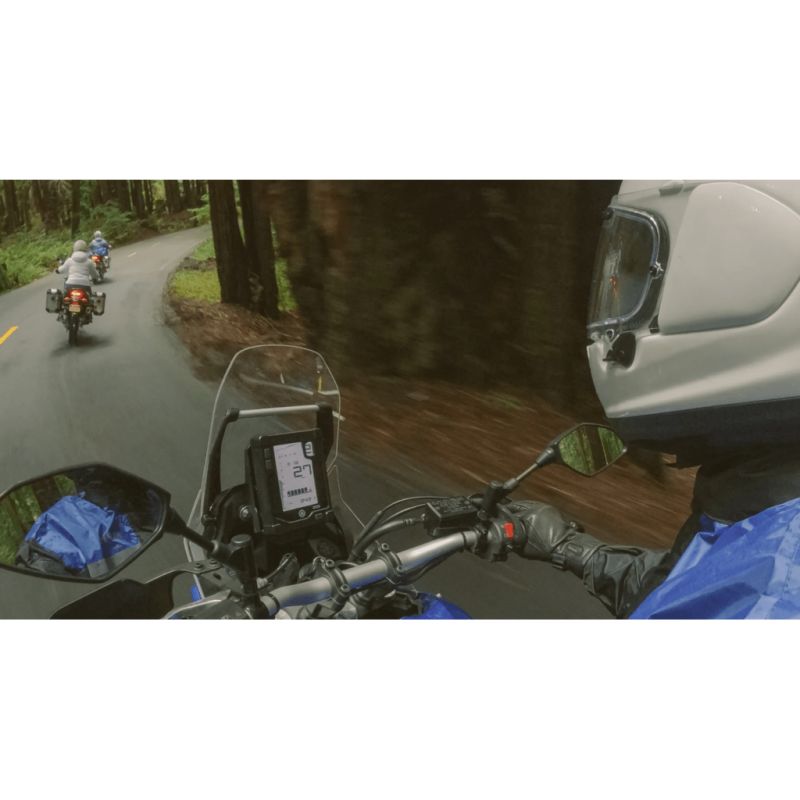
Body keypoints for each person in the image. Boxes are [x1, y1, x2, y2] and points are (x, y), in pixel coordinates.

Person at [511, 180, 800, 619]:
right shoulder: (763, 486)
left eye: (645, 269)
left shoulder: (776, 596)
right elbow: (692, 586)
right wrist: (570, 549)